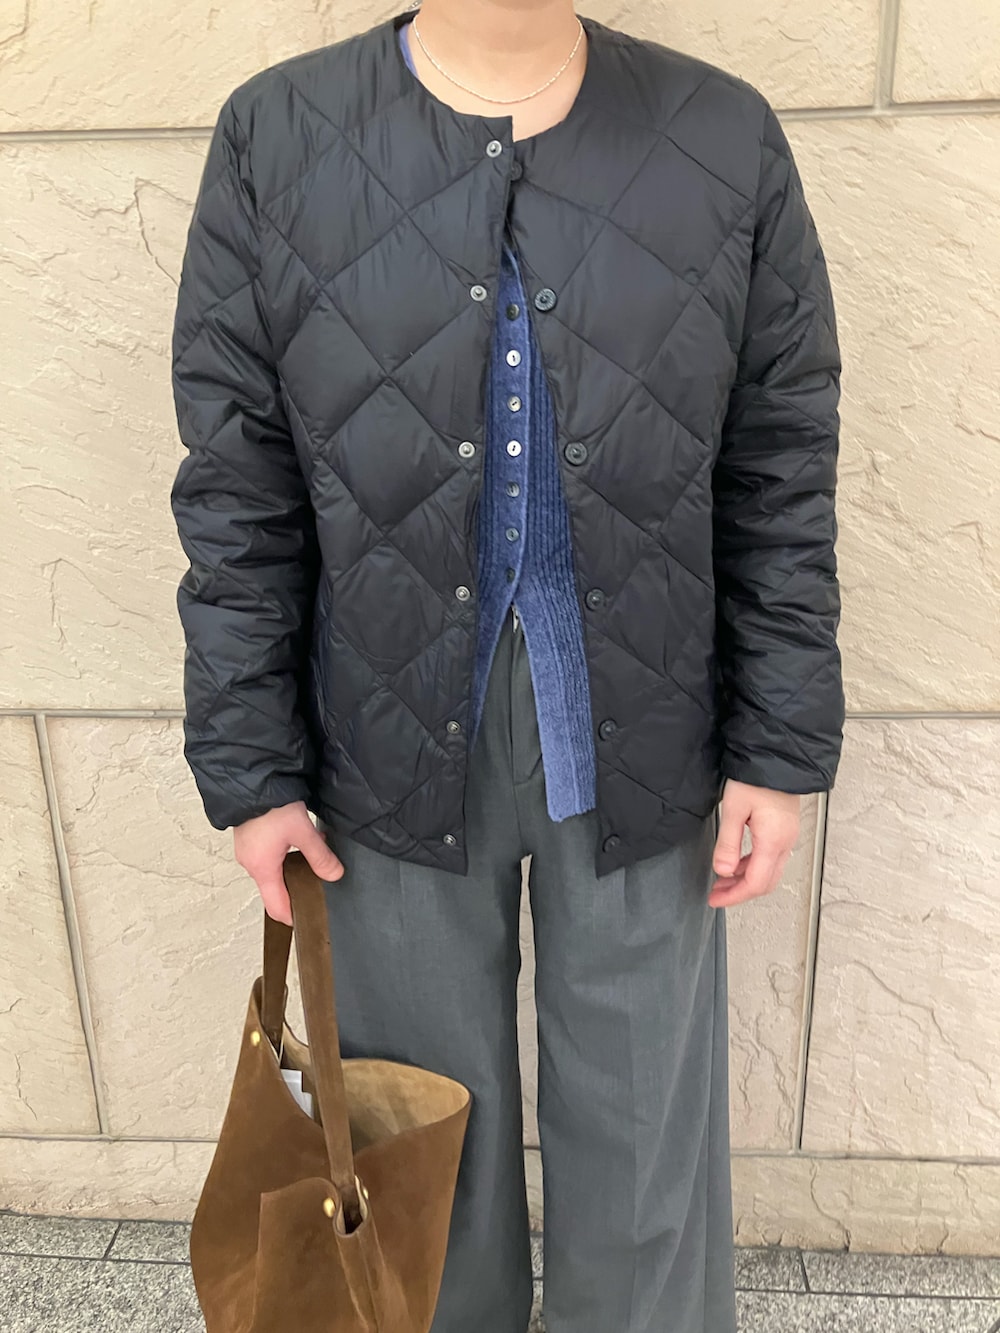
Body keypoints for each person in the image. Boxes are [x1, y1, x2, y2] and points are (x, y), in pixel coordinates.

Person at [169, 2, 844, 1330]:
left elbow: (779, 466)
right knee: (421, 1143)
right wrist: (253, 768)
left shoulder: (722, 138)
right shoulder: (278, 136)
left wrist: (777, 748)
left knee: (643, 1140)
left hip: (648, 729)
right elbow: (239, 485)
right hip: (384, 737)